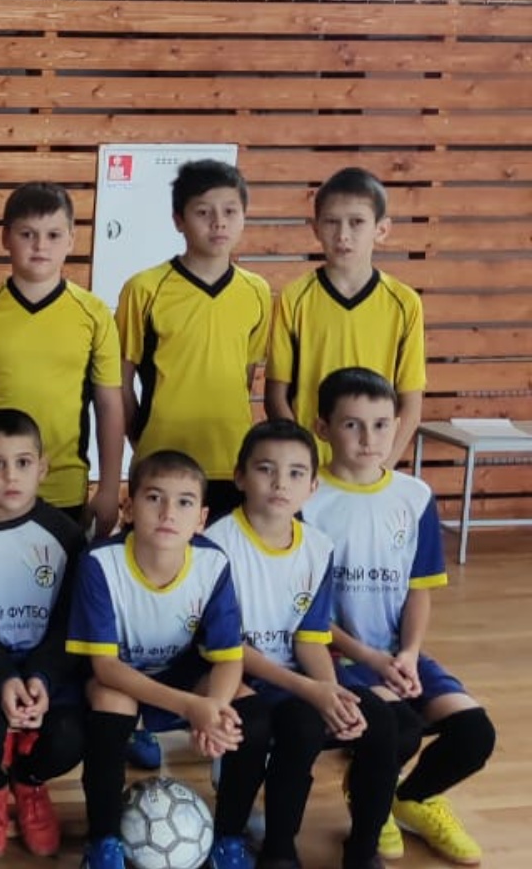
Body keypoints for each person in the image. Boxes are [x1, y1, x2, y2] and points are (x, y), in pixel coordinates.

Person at [306, 368, 495, 866]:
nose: (369, 439)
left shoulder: (414, 497)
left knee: (475, 734)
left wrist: (408, 654)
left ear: (397, 425)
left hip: (395, 653)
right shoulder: (308, 499)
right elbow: (301, 611)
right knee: (399, 727)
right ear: (323, 427)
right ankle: (369, 801)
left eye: (381, 424)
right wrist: (370, 658)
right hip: (335, 656)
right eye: (352, 425)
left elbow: (419, 590)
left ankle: (409, 799)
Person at [207, 419, 402, 869]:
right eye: (266, 469)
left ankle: (363, 848)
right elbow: (228, 647)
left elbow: (310, 637)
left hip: (299, 674)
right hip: (239, 672)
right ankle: (279, 849)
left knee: (382, 723)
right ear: (240, 477)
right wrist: (312, 693)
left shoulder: (318, 546)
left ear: (313, 486)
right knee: (302, 727)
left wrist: (332, 692)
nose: (280, 483)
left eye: (296, 473)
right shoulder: (215, 545)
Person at [65, 450, 254, 869]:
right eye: (154, 498)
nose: (169, 513)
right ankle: (103, 840)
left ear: (201, 518)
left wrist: (214, 709)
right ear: (129, 507)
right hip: (120, 677)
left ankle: (229, 835)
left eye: (184, 502)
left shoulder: (213, 562)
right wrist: (191, 708)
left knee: (246, 713)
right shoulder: (99, 563)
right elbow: (105, 667)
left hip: (181, 673)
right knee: (110, 707)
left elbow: (228, 658)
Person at [0, 409, 84, 860]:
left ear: (42, 468)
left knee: (70, 734)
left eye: (23, 463)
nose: (11, 476)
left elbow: (71, 622)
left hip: (50, 667)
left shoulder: (66, 536)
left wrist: (41, 678)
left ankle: (29, 781)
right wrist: (5, 677)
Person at [116, 159, 271, 519]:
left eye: (230, 211)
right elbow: (120, 380)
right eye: (203, 212)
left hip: (232, 463)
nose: (219, 222)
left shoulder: (257, 291)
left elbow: (246, 375)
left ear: (244, 216)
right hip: (162, 461)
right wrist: (140, 439)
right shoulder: (144, 289)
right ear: (178, 220)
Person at [0, 182, 124, 537]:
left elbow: (109, 404)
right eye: (27, 234)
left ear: (71, 240)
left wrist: (110, 487)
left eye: (53, 235)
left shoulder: (95, 314)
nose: (40, 246)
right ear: (5, 238)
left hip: (62, 487)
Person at [266, 168, 425, 467]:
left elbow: (411, 406)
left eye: (356, 222)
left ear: (382, 230)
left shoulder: (405, 304)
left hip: (373, 467)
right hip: (312, 471)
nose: (342, 235)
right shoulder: (294, 298)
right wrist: (303, 464)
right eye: (331, 222)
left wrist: (381, 469)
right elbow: (276, 397)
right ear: (315, 228)